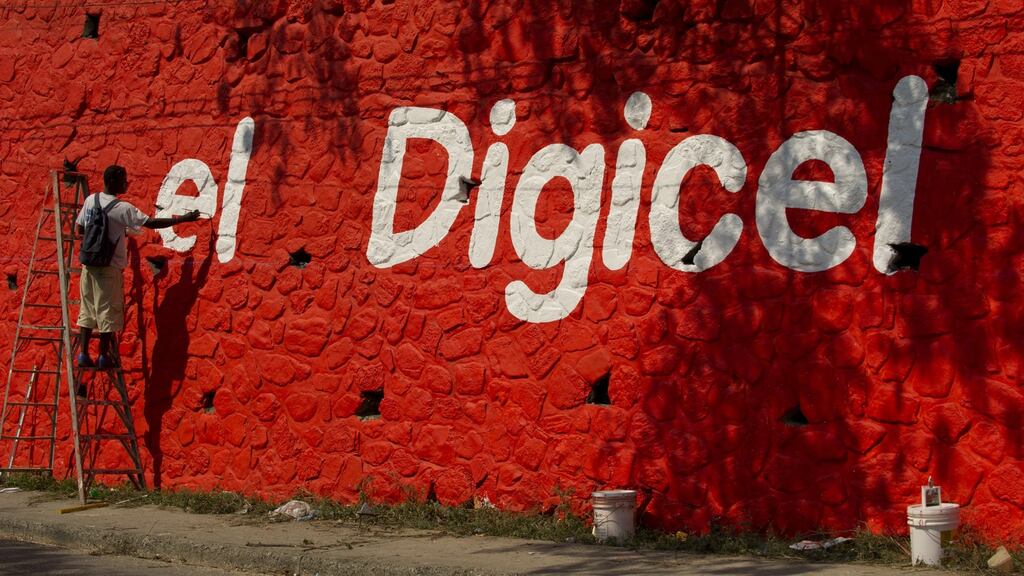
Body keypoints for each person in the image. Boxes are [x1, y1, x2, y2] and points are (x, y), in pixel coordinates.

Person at [75, 164, 201, 368]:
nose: (126, 183)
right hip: (109, 269)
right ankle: (103, 356)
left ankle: (82, 354)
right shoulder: (122, 208)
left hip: (88, 266)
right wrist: (183, 219)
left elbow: (81, 228)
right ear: (113, 181)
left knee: (87, 309)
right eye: (123, 179)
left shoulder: (91, 200)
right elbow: (151, 223)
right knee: (107, 311)